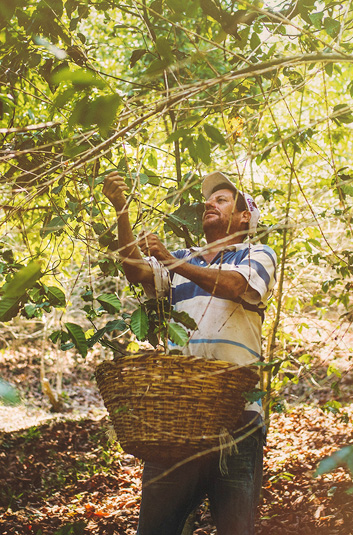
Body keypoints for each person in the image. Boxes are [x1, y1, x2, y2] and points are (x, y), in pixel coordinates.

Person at [102, 170, 277, 535]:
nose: (209, 204)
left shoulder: (257, 254)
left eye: (222, 200)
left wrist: (172, 261)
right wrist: (121, 211)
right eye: (208, 200)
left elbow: (234, 285)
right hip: (178, 416)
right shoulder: (183, 258)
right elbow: (136, 271)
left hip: (238, 418)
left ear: (244, 216)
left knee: (235, 528)